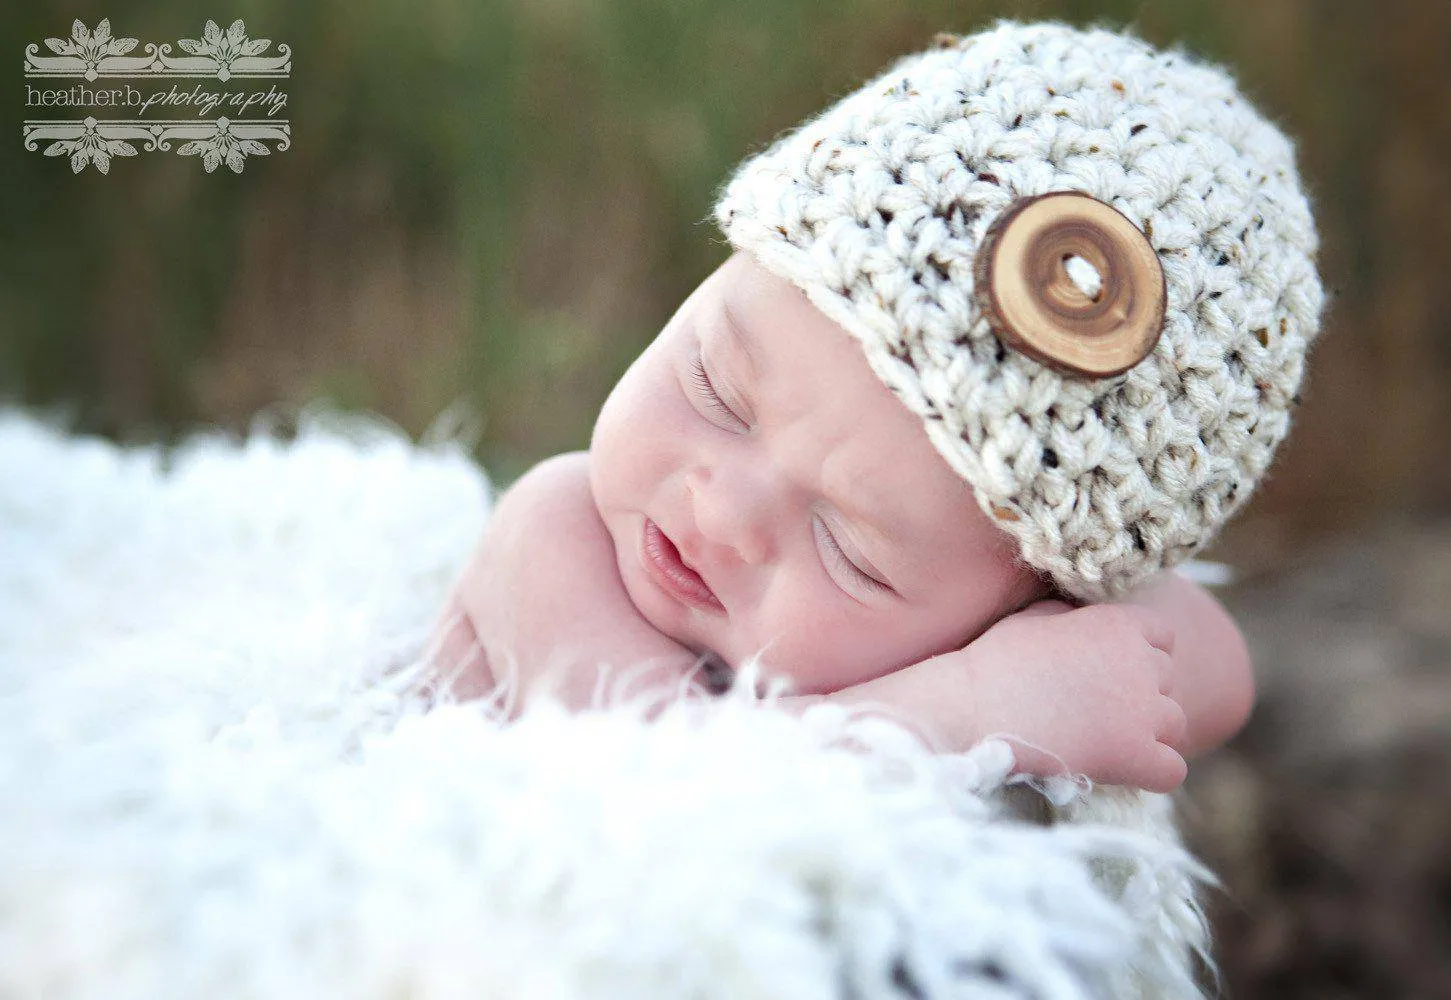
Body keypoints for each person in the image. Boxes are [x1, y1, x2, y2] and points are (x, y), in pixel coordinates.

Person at [426, 19, 1323, 795]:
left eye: (850, 551)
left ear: (1013, 602)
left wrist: (1061, 634)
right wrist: (974, 704)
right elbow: (654, 798)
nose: (722, 511)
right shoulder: (554, 539)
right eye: (716, 390)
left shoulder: (999, 589)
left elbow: (1212, 668)